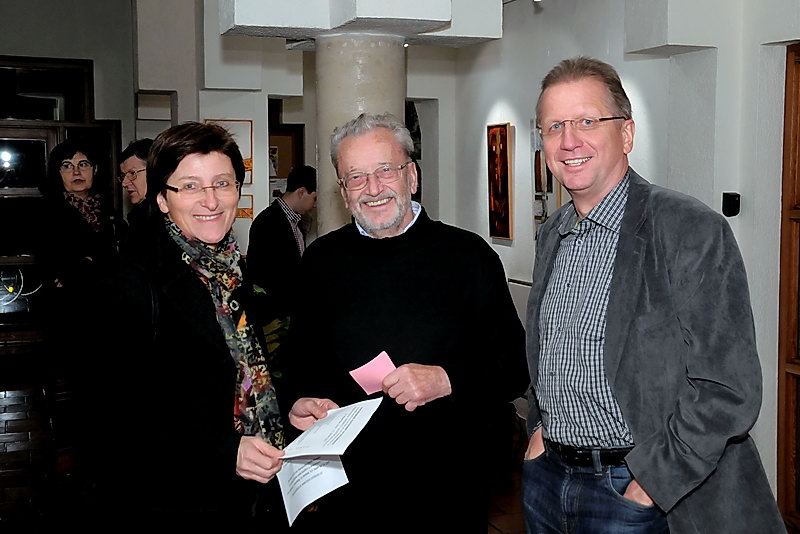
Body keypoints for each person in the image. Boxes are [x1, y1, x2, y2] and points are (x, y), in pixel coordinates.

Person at [523, 56, 786, 533]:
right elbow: (548, 352)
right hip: (550, 480)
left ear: (626, 134)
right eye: (553, 126)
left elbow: (729, 387)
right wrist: (539, 432)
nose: (568, 141)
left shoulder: (687, 227)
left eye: (587, 121)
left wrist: (650, 483)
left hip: (639, 489)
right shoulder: (553, 233)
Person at [282, 112, 529, 532]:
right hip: (349, 493)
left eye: (385, 170)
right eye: (356, 177)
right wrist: (298, 401)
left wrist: (447, 379)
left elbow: (515, 367)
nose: (372, 188)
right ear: (343, 191)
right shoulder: (321, 261)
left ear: (411, 176)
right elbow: (297, 361)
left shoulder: (468, 257)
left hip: (445, 490)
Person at [77, 122, 290, 527]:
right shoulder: (130, 283)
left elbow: (244, 375)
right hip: (172, 504)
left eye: (222, 183)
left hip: (245, 497)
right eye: (190, 186)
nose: (210, 200)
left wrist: (291, 405)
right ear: (161, 198)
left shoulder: (230, 272)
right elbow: (112, 418)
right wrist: (225, 450)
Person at [39, 138, 125, 293]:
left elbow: (121, 257)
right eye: (67, 166)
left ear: (95, 169)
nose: (76, 172)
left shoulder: (107, 209)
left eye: (83, 164)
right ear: (58, 172)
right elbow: (54, 264)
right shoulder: (47, 211)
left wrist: (88, 261)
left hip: (109, 295)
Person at [247, 164, 317, 318]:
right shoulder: (268, 222)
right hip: (274, 313)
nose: (315, 204)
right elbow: (265, 274)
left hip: (290, 308)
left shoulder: (297, 221)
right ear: (301, 192)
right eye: (314, 198)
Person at [118, 137, 153, 221]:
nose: (124, 183)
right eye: (123, 176)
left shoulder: (171, 216)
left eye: (132, 173)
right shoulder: (139, 216)